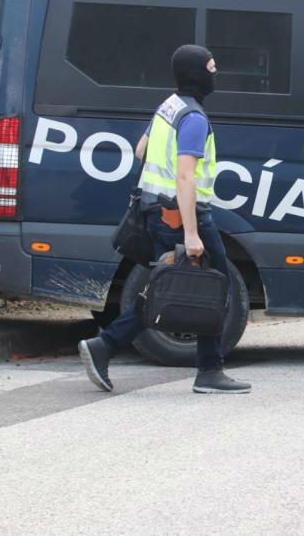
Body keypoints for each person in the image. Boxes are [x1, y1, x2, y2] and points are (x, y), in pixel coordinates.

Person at [78, 45, 250, 394]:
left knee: (172, 286)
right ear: (197, 73)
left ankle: (105, 346)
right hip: (183, 214)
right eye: (212, 68)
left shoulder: (169, 107)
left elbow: (142, 150)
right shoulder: (194, 118)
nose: (216, 75)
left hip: (157, 210)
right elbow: (185, 177)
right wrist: (191, 233)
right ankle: (209, 371)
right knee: (216, 288)